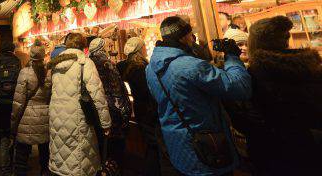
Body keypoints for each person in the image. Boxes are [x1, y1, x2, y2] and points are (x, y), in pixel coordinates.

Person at [146, 16, 251, 176]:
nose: (192, 38)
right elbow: (240, 87)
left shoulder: (151, 68)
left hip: (177, 146)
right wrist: (232, 57)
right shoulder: (190, 65)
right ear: (184, 36)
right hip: (205, 149)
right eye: (190, 34)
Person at [240, 16, 322, 175]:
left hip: (273, 146)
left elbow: (252, 114)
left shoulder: (257, 72)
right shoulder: (307, 64)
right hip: (309, 141)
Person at [47, 32, 111, 176]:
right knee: (79, 162)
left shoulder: (56, 64)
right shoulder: (85, 63)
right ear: (84, 46)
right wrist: (106, 123)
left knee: (61, 155)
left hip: (57, 118)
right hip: (78, 119)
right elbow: (97, 95)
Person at [118, 37, 161, 176]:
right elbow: (147, 90)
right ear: (140, 49)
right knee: (154, 143)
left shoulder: (124, 66)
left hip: (138, 106)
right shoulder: (141, 67)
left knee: (149, 141)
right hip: (148, 108)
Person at [88, 37, 130, 170]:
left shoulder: (87, 63)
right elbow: (117, 88)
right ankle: (116, 168)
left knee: (102, 143)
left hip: (95, 108)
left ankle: (104, 166)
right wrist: (124, 111)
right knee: (115, 143)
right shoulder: (107, 63)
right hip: (111, 107)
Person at [11, 44, 52, 176]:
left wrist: (13, 122)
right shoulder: (49, 73)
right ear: (43, 56)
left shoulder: (25, 73)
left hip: (26, 117)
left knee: (22, 156)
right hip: (44, 116)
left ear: (31, 56)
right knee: (45, 153)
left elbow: (18, 101)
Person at [0, 36, 22, 176]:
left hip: (1, 103)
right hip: (14, 102)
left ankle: (4, 167)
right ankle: (15, 164)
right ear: (12, 49)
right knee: (14, 134)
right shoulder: (16, 61)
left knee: (4, 136)